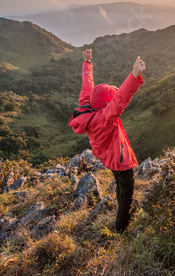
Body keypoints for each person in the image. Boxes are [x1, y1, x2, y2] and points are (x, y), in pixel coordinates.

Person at [68, 48, 145, 233]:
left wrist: (87, 63)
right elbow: (120, 99)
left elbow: (87, 85)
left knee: (120, 185)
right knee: (126, 193)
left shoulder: (87, 106)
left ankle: (122, 209)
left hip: (109, 156)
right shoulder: (104, 118)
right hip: (120, 160)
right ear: (105, 105)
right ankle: (121, 228)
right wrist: (134, 75)